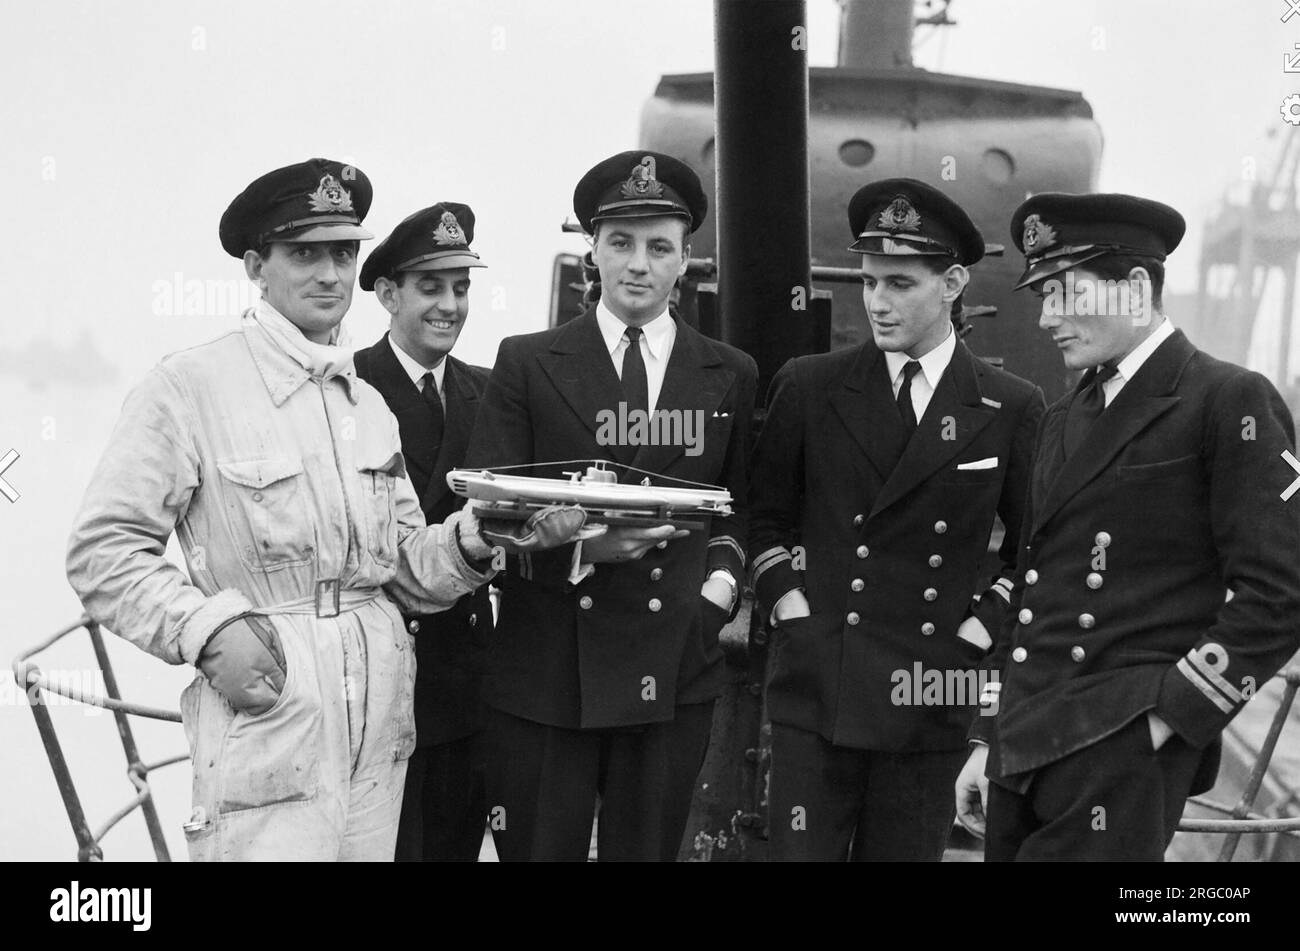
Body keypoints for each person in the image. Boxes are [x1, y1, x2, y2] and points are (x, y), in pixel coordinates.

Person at [65, 158, 585, 861]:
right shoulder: (190, 387)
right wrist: (206, 628)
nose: (330, 274)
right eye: (304, 253)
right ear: (258, 265)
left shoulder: (363, 405)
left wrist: (479, 533)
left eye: (343, 252)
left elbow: (402, 569)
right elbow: (103, 551)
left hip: (380, 731)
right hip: (269, 724)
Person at [954, 192, 1300, 861]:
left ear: (1136, 288)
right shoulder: (1065, 416)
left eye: (1065, 292)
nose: (1049, 317)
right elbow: (1030, 590)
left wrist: (1170, 716)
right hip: (1028, 745)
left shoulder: (1226, 400)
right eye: (1041, 296)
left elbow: (1280, 590)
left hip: (1120, 747)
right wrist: (986, 738)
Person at [465, 150, 758, 861]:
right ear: (591, 249)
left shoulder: (730, 373)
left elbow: (743, 507)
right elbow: (489, 515)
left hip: (673, 672)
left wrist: (715, 595)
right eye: (620, 243)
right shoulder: (527, 363)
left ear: (686, 259)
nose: (638, 264)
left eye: (660, 246)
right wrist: (576, 551)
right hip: (547, 675)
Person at [748, 178, 1044, 861]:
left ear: (954, 283)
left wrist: (979, 628)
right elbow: (763, 520)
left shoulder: (1009, 406)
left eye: (901, 284)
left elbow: (1034, 550)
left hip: (932, 695)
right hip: (818, 691)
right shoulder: (811, 386)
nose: (878, 302)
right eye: (869, 281)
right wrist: (793, 611)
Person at [354, 202, 493, 861]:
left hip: (466, 690)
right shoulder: (347, 387)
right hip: (377, 692)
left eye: (460, 288)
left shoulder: (491, 395)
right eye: (431, 287)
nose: (450, 306)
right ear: (387, 294)